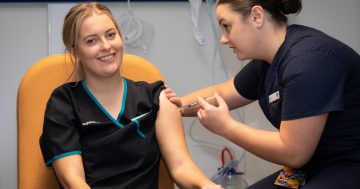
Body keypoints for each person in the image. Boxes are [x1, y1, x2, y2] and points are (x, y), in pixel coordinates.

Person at [165, 0, 360, 188]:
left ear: (257, 17)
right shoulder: (268, 61)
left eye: (227, 26)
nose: (223, 39)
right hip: (312, 165)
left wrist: (226, 127)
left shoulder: (308, 62)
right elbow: (223, 93)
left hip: (348, 162)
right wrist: (175, 105)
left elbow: (294, 153)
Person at [39, 2, 223, 189]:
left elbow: (181, 166)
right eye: (91, 41)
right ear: (75, 51)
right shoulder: (64, 103)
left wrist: (207, 186)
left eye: (111, 35)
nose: (106, 46)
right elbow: (72, 181)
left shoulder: (156, 97)